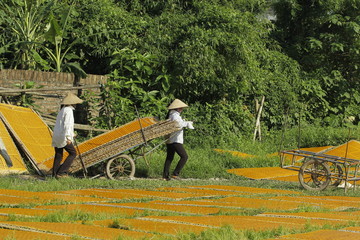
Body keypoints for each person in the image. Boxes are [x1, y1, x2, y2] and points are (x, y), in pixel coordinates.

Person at [52, 92, 83, 178]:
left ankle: (54, 174)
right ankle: (62, 172)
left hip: (57, 135)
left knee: (58, 155)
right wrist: (69, 137)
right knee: (73, 153)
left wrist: (71, 134)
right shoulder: (69, 111)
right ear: (72, 103)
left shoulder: (62, 110)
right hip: (63, 136)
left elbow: (61, 125)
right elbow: (67, 125)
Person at [163, 99, 194, 181]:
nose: (182, 109)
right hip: (175, 139)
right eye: (180, 108)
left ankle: (165, 176)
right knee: (184, 156)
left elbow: (178, 123)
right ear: (177, 108)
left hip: (170, 139)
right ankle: (175, 174)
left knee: (169, 158)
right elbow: (178, 124)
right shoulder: (175, 115)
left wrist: (186, 122)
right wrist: (187, 123)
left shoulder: (172, 114)